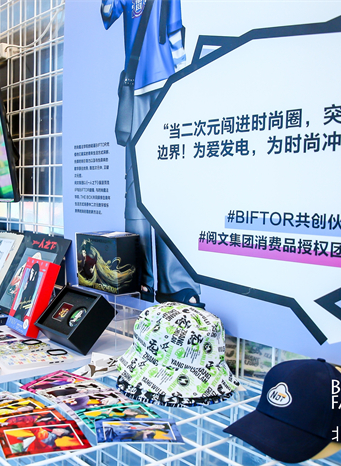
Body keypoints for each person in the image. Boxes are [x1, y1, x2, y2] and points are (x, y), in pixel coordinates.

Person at [102, 0, 202, 306]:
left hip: (139, 85)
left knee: (137, 189)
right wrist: (185, 71)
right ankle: (175, 286)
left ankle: (141, 281)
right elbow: (174, 30)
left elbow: (108, 12)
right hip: (164, 80)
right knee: (167, 187)